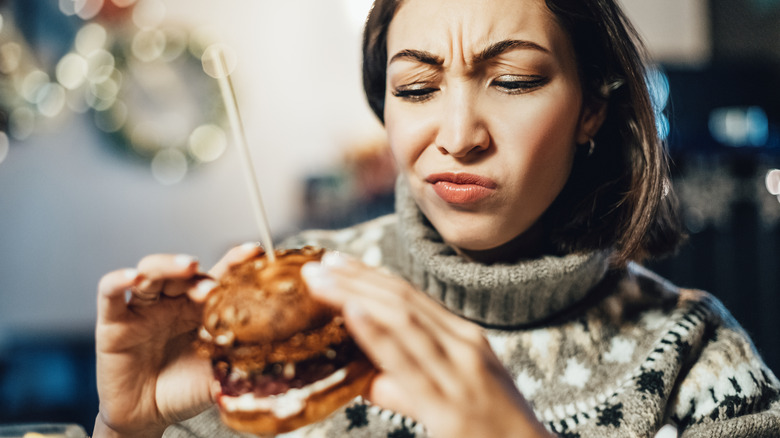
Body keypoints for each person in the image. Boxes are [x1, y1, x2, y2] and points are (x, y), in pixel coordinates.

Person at [93, 0, 780, 436]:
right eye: (416, 89)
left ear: (591, 110)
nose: (457, 135)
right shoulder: (291, 307)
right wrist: (129, 432)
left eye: (513, 81)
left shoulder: (699, 362)